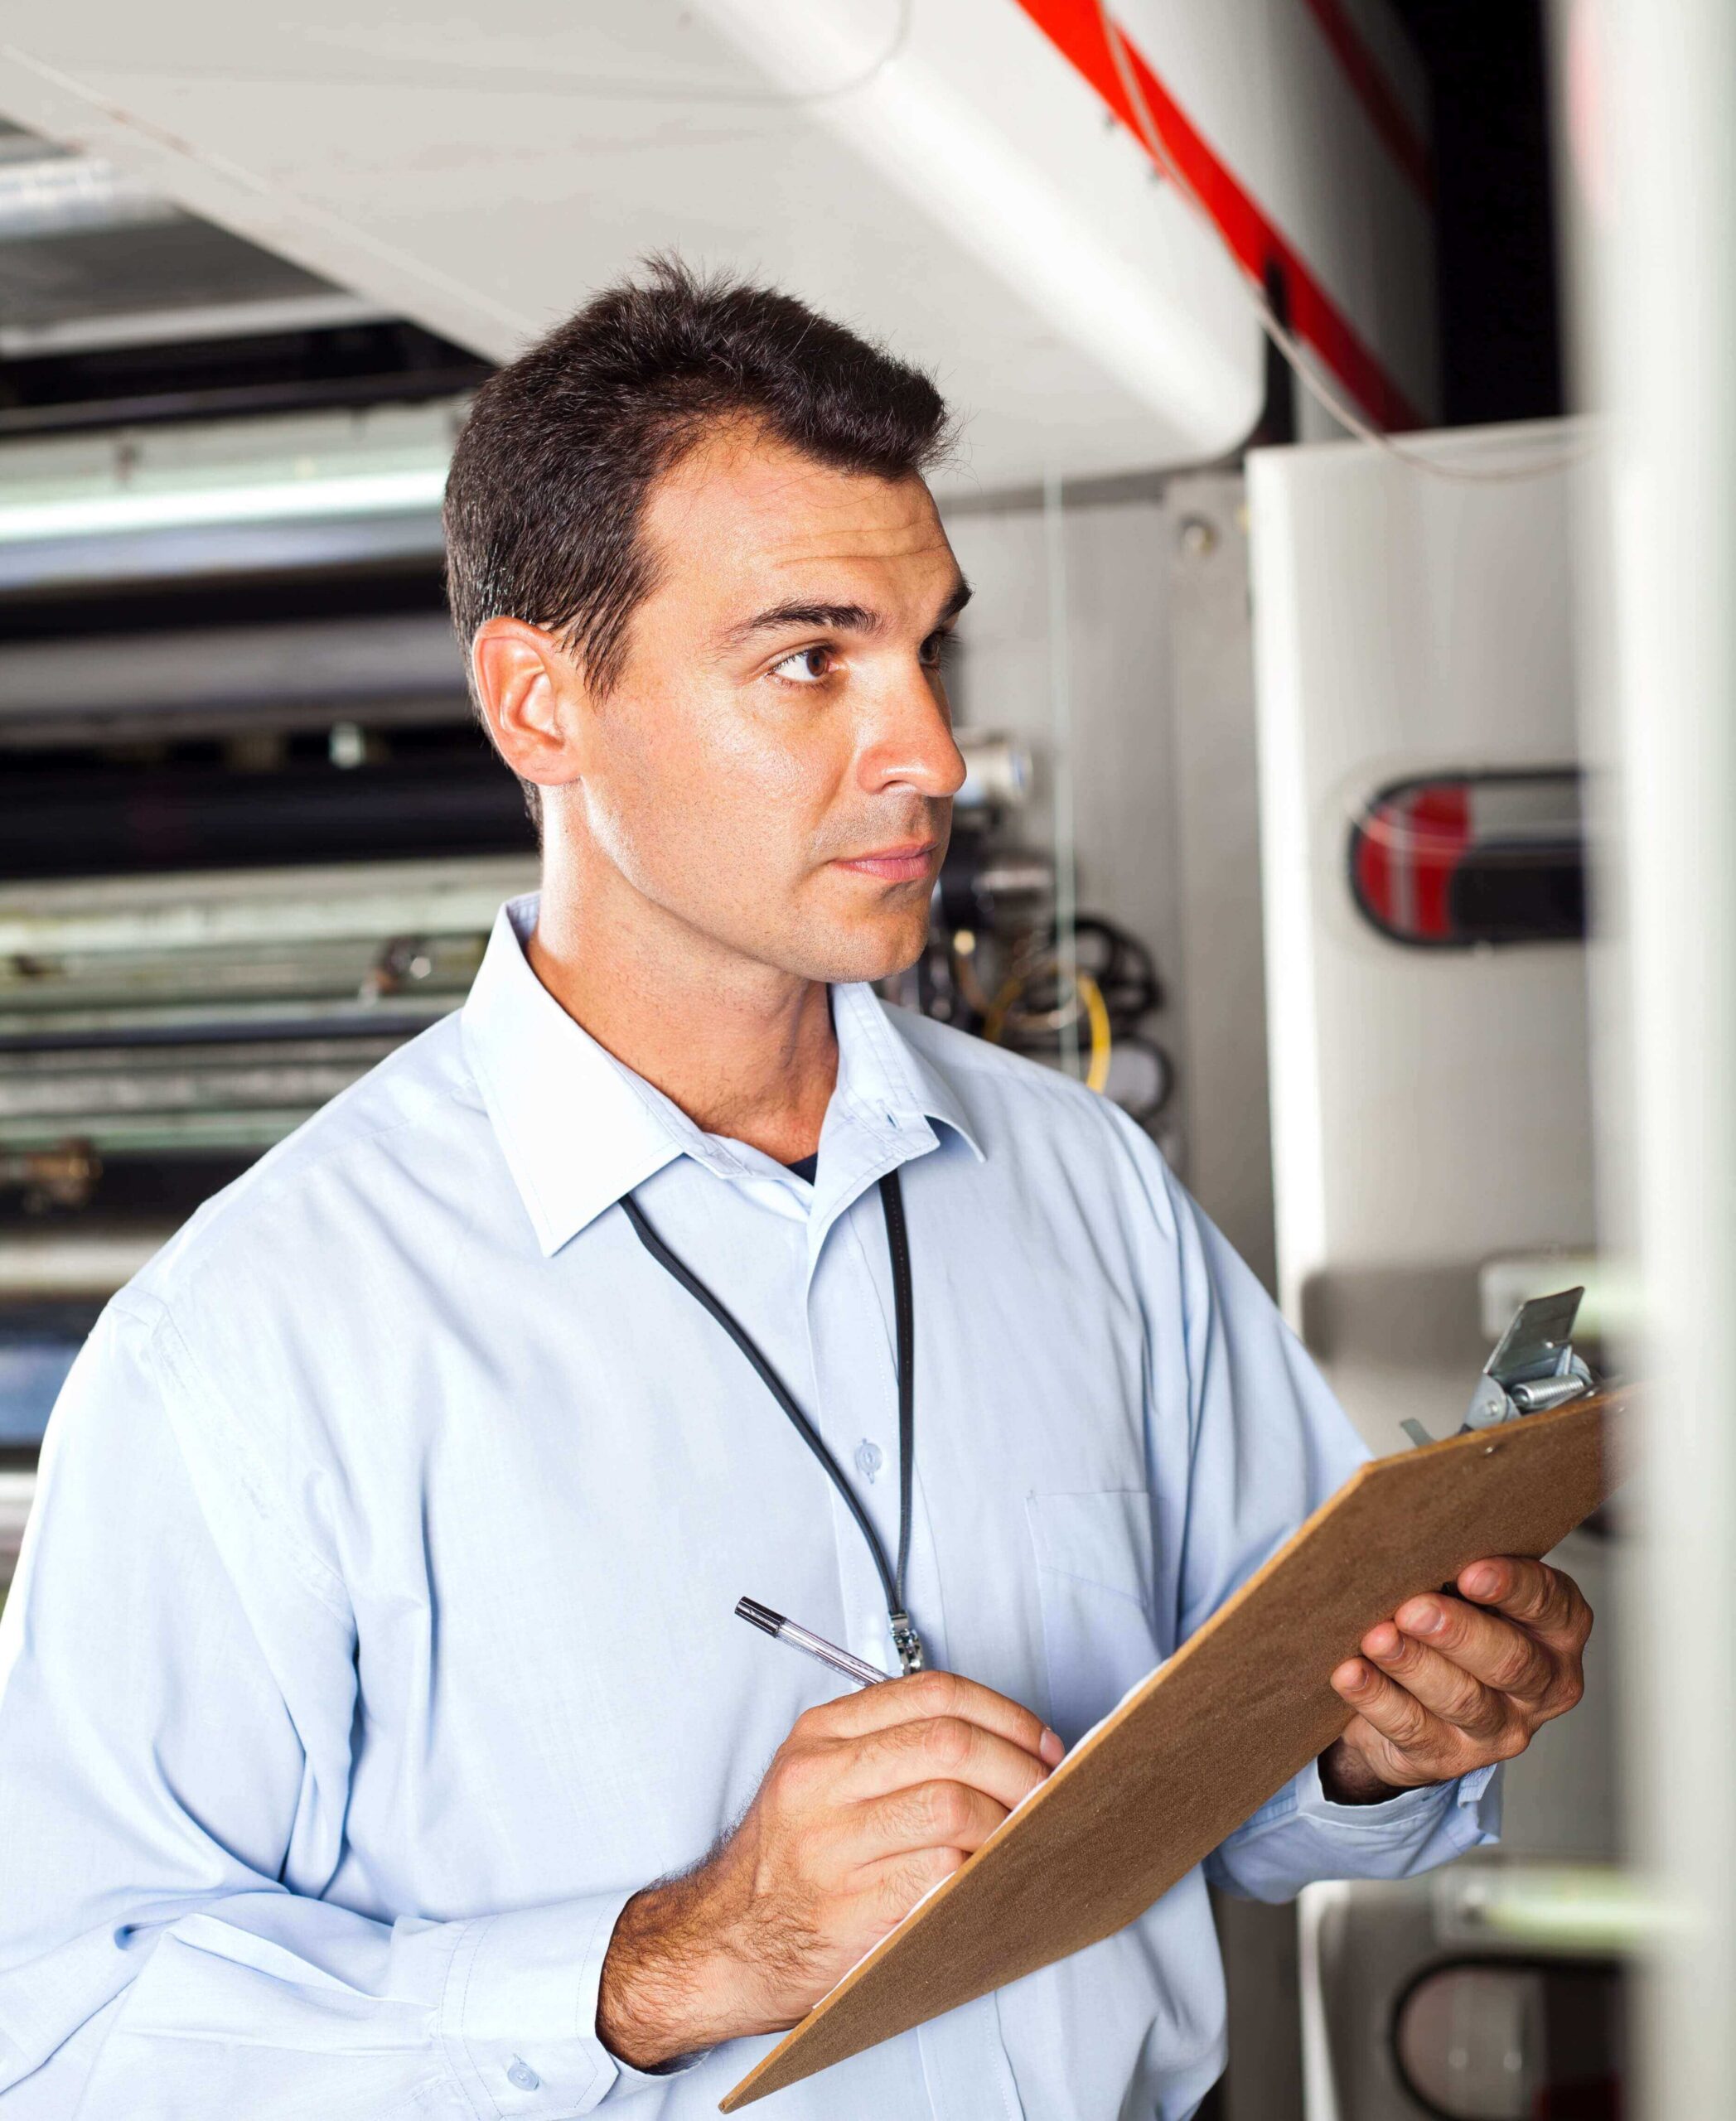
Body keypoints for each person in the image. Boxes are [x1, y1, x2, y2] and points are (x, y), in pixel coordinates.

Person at [0, 261, 1591, 2120]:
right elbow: (67, 2036)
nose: (920, 749)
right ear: (539, 703)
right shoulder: (253, 1343)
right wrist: (683, 1953)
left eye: (929, 648)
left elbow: (1265, 1791)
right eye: (808, 657)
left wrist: (1390, 1745)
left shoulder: (1076, 1180)